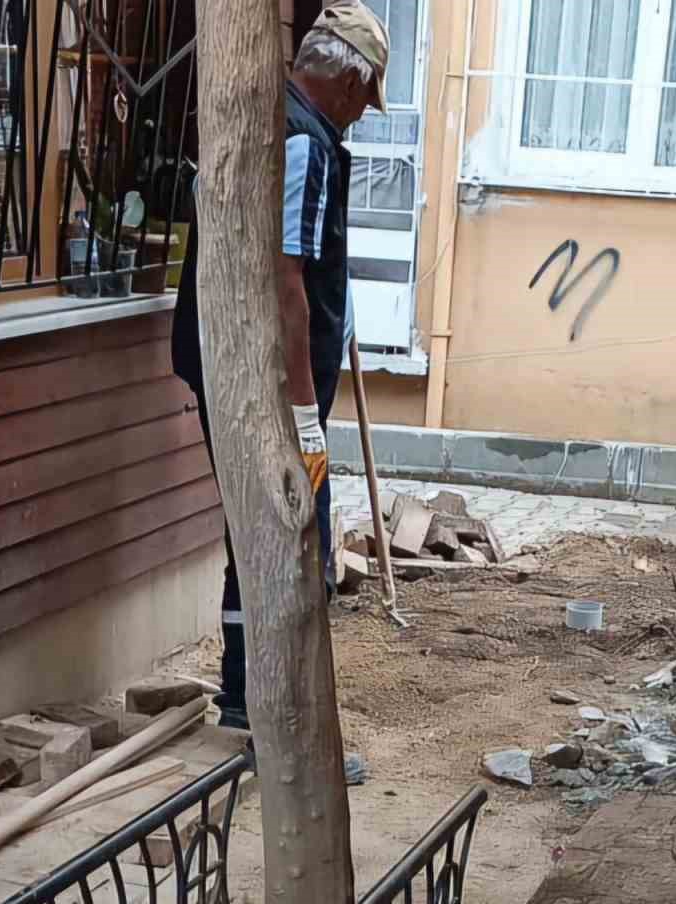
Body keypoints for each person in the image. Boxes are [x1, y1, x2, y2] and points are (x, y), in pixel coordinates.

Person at [172, 3, 388, 736]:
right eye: (366, 97)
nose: (363, 113)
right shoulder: (302, 141)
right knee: (295, 532)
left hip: (241, 367)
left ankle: (245, 704)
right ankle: (275, 719)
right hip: (268, 382)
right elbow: (286, 278)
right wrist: (303, 410)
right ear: (350, 81)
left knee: (258, 532)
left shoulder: (277, 121)